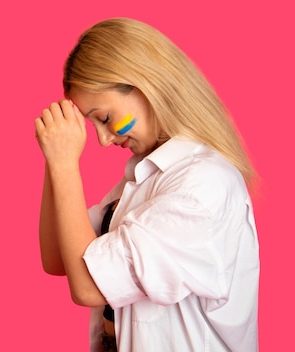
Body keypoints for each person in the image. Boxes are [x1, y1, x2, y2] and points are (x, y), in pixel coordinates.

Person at [34, 18, 259, 351]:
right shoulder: (144, 178)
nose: (103, 138)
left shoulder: (201, 185)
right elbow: (57, 259)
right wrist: (56, 160)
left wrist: (67, 164)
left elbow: (89, 287)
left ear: (145, 84)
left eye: (106, 117)